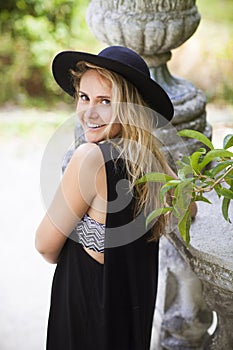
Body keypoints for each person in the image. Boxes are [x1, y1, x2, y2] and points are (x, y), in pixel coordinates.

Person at [35, 46, 196, 350]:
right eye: (84, 97)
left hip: (88, 311)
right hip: (130, 315)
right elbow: (190, 207)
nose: (90, 112)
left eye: (105, 101)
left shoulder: (90, 159)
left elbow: (45, 245)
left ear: (131, 107)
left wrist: (81, 236)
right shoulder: (153, 163)